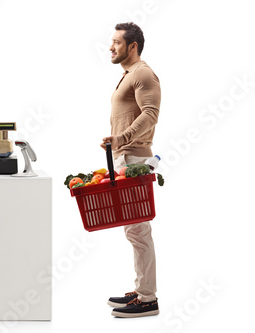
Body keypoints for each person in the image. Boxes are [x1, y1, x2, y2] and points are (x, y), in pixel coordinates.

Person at [101, 22, 161, 318]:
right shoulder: (129, 75)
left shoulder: (142, 73)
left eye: (116, 42)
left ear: (132, 45)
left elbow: (151, 115)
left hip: (135, 159)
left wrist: (122, 139)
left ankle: (148, 298)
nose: (111, 47)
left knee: (139, 230)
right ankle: (142, 291)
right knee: (134, 231)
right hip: (125, 158)